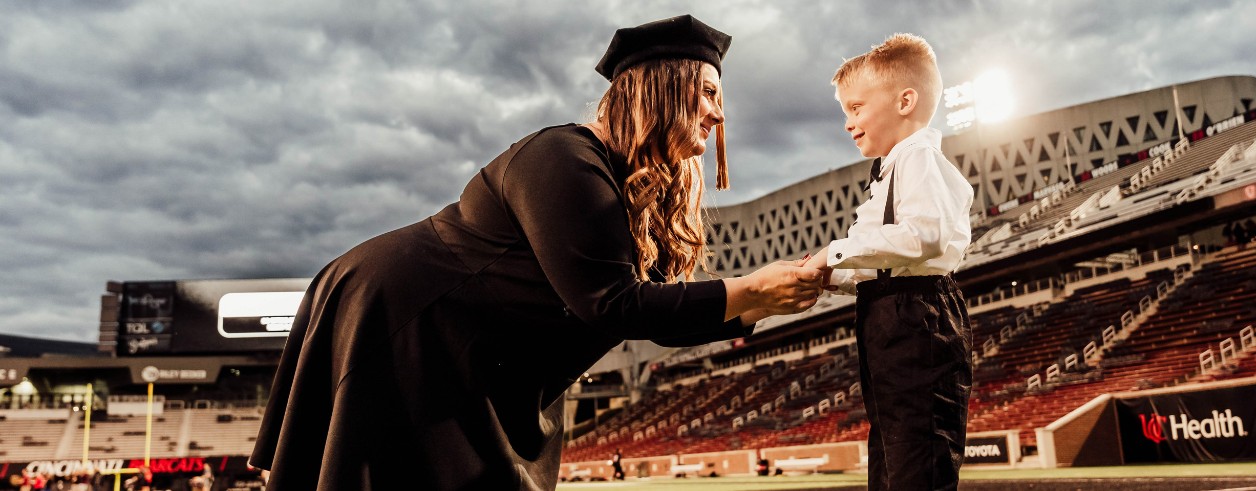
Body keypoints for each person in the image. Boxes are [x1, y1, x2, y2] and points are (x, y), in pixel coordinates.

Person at [251, 14, 825, 491]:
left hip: (474, 352)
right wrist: (753, 289)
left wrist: (767, 301)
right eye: (707, 92)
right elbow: (614, 306)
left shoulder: (627, 188)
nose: (718, 114)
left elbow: (660, 315)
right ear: (660, 87)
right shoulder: (563, 157)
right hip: (407, 318)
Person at [803, 33, 973, 490]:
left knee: (916, 459)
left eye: (856, 108)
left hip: (918, 314)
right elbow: (882, 256)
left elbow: (925, 235)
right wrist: (827, 276)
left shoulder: (919, 158)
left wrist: (832, 253)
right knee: (892, 456)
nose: (848, 123)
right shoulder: (892, 169)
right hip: (889, 312)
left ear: (905, 101)